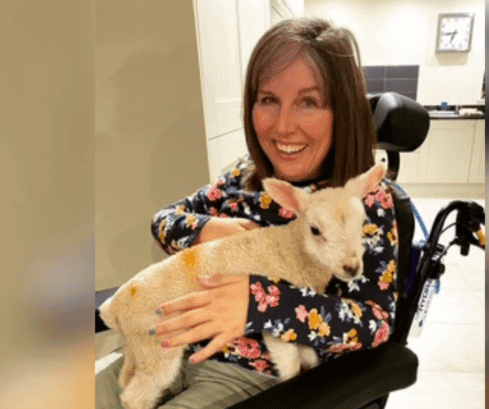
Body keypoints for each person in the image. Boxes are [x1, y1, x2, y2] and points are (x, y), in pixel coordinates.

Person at [96, 17, 397, 409]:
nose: (283, 126)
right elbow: (164, 220)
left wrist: (259, 303)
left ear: (342, 111)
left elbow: (373, 323)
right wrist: (207, 228)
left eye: (308, 102)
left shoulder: (364, 204)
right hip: (169, 343)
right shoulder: (245, 177)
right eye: (268, 99)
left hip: (251, 374)